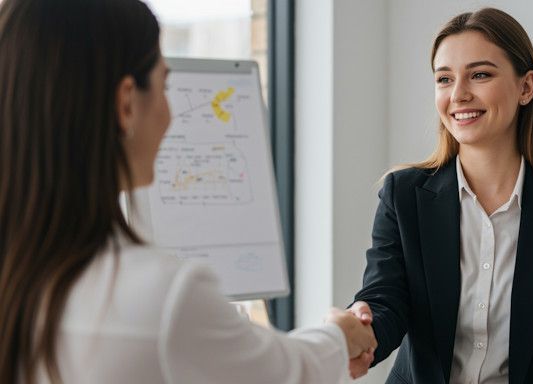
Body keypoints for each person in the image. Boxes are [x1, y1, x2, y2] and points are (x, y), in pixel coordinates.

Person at [0, 0, 376, 383]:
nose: (170, 114)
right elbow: (284, 373)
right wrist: (339, 335)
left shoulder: (24, 272)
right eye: (165, 86)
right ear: (126, 103)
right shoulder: (164, 298)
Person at [348, 8, 533, 384]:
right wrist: (360, 328)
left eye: (479, 75)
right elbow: (385, 301)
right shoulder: (404, 195)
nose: (458, 94)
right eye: (444, 79)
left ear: (526, 87)